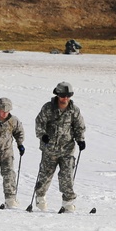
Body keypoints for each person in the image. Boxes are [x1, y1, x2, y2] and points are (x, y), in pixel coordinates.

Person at [33, 81, 86, 212]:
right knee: (45, 176)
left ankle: (68, 203)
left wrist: (80, 140)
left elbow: (79, 126)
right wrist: (42, 135)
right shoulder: (48, 108)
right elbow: (39, 123)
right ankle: (40, 198)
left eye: (68, 96)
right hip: (49, 149)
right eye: (63, 96)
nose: (65, 99)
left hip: (67, 149)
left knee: (67, 176)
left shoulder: (74, 110)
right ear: (57, 95)